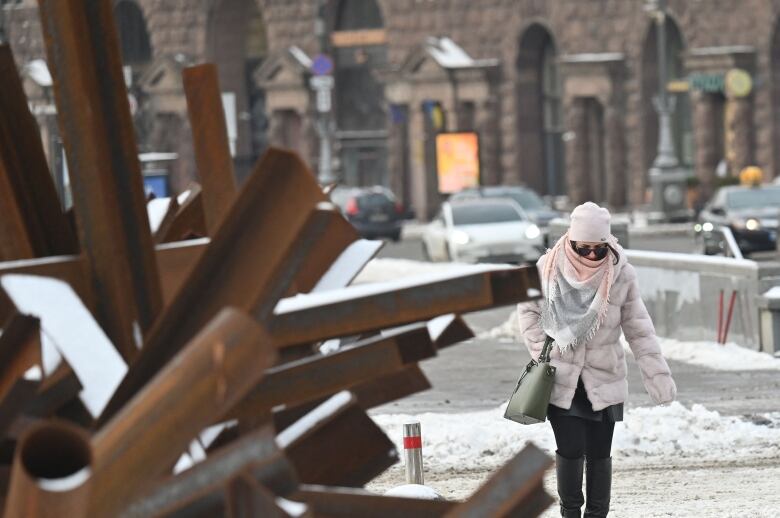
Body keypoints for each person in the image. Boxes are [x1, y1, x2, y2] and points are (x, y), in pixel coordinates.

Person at [516, 202, 676, 518]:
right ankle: (571, 513)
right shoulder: (547, 268)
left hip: (605, 378)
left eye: (599, 250)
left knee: (600, 453)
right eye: (583, 248)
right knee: (572, 449)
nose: (591, 256)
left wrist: (657, 375)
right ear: (571, 241)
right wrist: (542, 353)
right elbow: (528, 313)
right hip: (562, 380)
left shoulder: (620, 274)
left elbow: (639, 329)